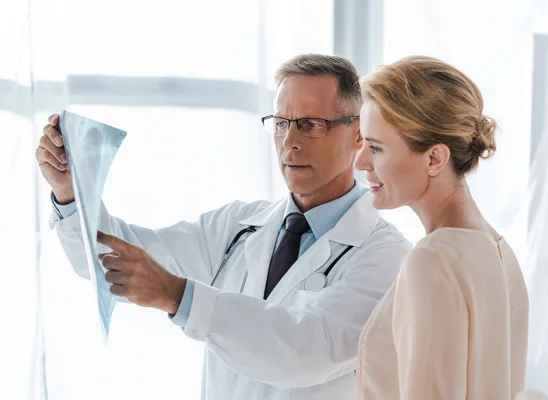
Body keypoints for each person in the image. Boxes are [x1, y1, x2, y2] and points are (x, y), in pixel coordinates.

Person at [36, 54, 412, 400]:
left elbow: (306, 348)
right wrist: (71, 195)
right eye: (281, 123)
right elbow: (117, 261)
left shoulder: (387, 257)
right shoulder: (236, 226)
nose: (290, 142)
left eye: (310, 125)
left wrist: (179, 296)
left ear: (358, 134)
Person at [354, 56, 529, 399]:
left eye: (375, 147)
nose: (360, 162)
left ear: (434, 158)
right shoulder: (500, 251)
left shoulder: (432, 261)